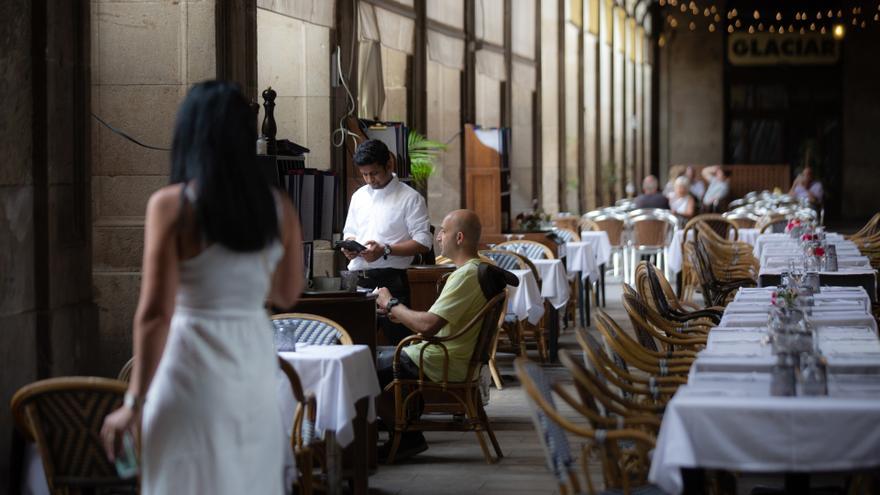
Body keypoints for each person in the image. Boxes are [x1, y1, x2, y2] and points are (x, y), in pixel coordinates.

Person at [100, 81, 305, 494]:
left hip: (190, 362)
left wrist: (133, 401)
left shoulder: (172, 206)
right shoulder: (277, 207)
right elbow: (287, 294)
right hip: (252, 366)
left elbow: (156, 313)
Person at [373, 209, 487, 461]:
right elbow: (433, 322)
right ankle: (403, 430)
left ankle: (403, 437)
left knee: (360, 367)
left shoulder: (467, 275)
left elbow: (427, 326)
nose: (438, 238)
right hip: (444, 352)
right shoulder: (475, 269)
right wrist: (400, 314)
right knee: (371, 358)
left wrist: (391, 303)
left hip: (442, 358)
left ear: (458, 238)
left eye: (443, 232)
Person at [342, 139, 432, 344]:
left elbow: (424, 241)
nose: (369, 179)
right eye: (364, 174)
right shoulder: (359, 196)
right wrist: (350, 246)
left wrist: (385, 249)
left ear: (389, 165)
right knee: (354, 343)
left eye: (374, 173)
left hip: (392, 280)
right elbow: (351, 232)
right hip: (359, 279)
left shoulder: (410, 198)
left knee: (399, 346)